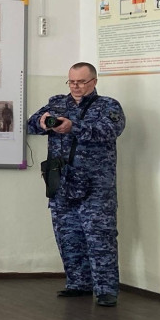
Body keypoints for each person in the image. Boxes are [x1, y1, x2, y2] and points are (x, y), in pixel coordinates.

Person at [27, 62, 125, 307]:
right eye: (72, 81)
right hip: (61, 182)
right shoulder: (57, 104)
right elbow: (30, 124)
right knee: (68, 235)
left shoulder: (108, 106)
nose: (76, 86)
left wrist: (73, 127)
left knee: (100, 237)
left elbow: (110, 130)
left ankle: (106, 290)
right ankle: (78, 283)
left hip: (96, 185)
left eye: (81, 82)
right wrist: (42, 121)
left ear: (94, 81)